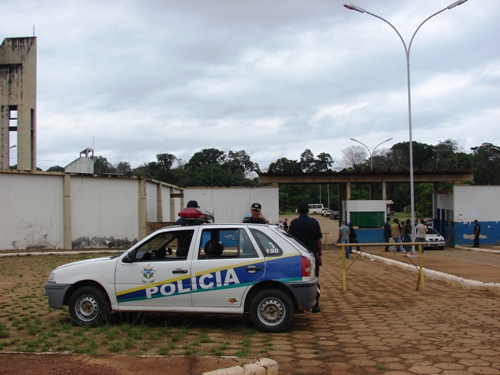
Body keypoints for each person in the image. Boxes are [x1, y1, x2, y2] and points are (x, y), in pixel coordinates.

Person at [288, 202, 322, 313]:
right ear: (308, 211)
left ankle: (301, 305)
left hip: (298, 255)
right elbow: (318, 241)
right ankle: (315, 305)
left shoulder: (294, 223)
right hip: (311, 254)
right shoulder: (314, 223)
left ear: (297, 211)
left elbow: (290, 240)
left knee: (299, 281)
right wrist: (320, 254)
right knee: (314, 279)